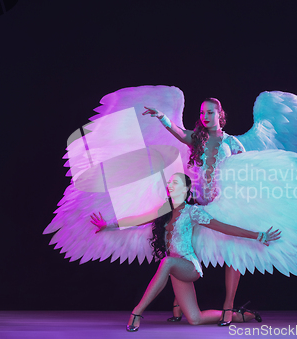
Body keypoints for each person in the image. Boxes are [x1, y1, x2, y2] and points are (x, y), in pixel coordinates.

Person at [90, 173, 281, 332]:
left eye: (175, 182)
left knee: (166, 262)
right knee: (195, 319)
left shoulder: (193, 212)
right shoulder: (164, 211)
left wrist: (258, 235)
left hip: (189, 267)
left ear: (185, 189)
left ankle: (137, 312)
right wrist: (109, 225)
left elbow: (224, 228)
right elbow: (138, 219)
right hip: (175, 269)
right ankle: (241, 316)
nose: (170, 185)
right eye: (170, 182)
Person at [143, 98, 246, 326]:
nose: (205, 116)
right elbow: (179, 133)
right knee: (183, 247)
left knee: (232, 251)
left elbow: (244, 174)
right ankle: (179, 303)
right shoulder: (197, 138)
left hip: (224, 204)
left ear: (220, 114)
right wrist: (162, 117)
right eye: (202, 112)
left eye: (210, 112)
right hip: (199, 203)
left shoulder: (233, 143)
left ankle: (228, 307)